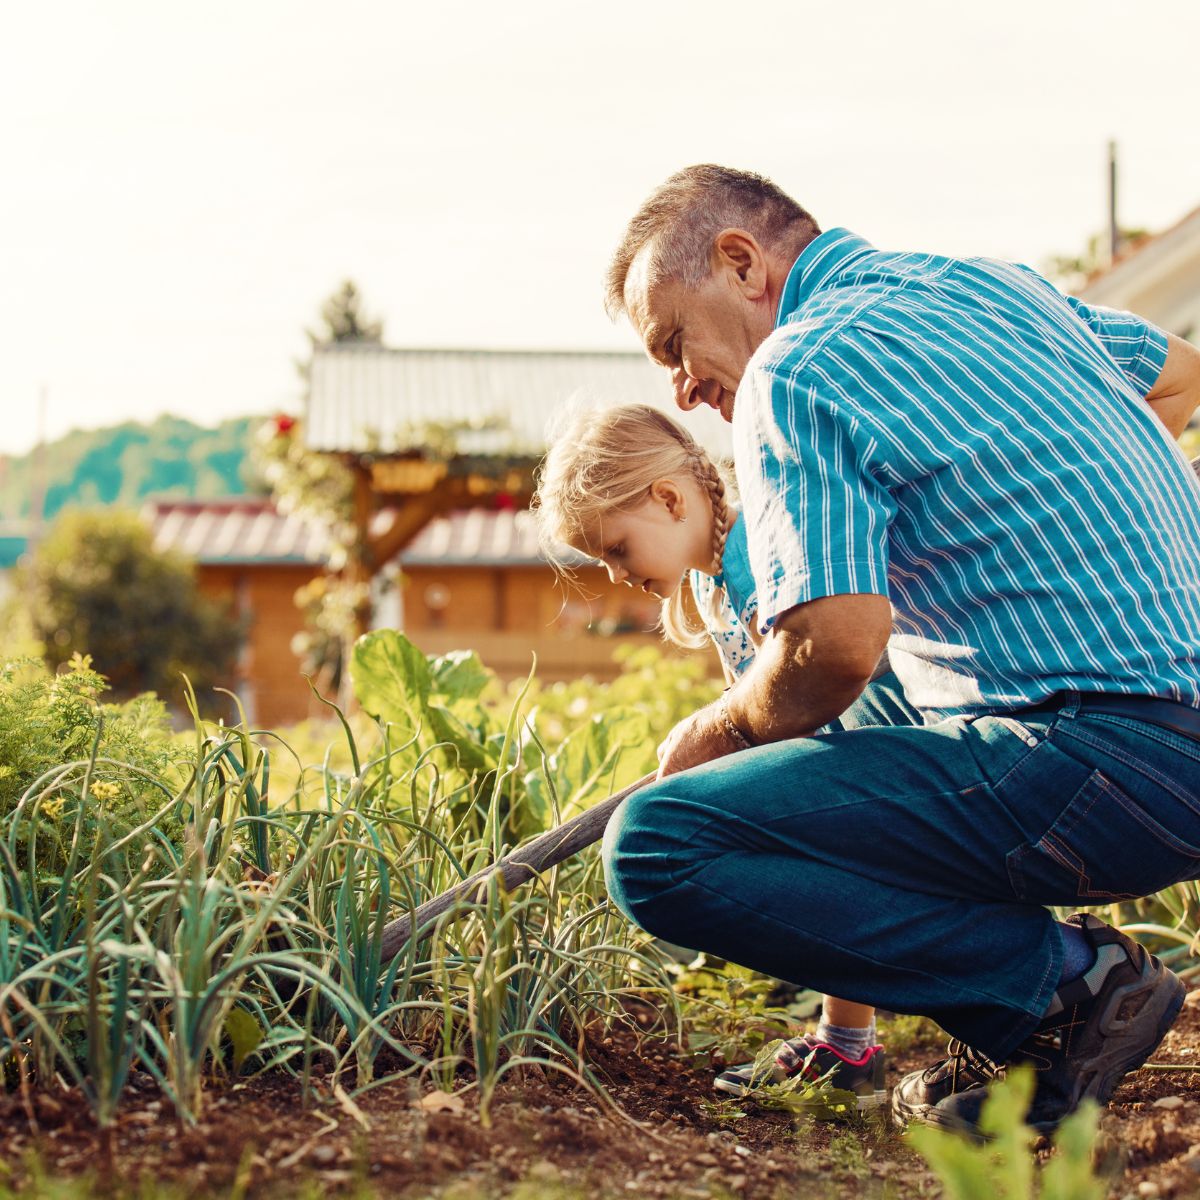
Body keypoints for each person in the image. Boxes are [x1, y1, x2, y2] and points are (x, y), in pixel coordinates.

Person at [598, 164, 1200, 1135]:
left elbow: (832, 650)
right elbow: (1181, 372)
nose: (677, 382)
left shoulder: (799, 365)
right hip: (1173, 749)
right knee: (882, 724)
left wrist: (718, 732)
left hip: (1099, 758)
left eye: (672, 340)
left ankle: (1070, 992)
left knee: (665, 843)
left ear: (741, 261)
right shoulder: (1001, 288)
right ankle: (1050, 1006)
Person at [533, 402, 894, 1109]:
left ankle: (866, 1040)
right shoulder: (711, 578)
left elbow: (812, 692)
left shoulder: (758, 559)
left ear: (668, 499)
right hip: (834, 760)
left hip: (872, 752)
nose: (613, 575)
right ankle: (848, 1046)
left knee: (808, 863)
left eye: (615, 549)